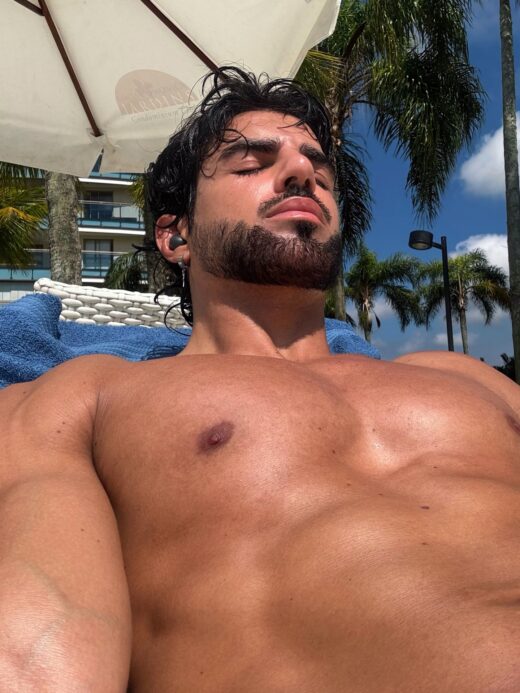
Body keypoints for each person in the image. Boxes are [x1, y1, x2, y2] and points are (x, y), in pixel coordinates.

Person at [1, 67, 519, 693]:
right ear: (175, 235)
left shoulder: (466, 378)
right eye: (251, 162)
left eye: (319, 168)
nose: (303, 173)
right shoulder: (84, 397)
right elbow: (39, 646)